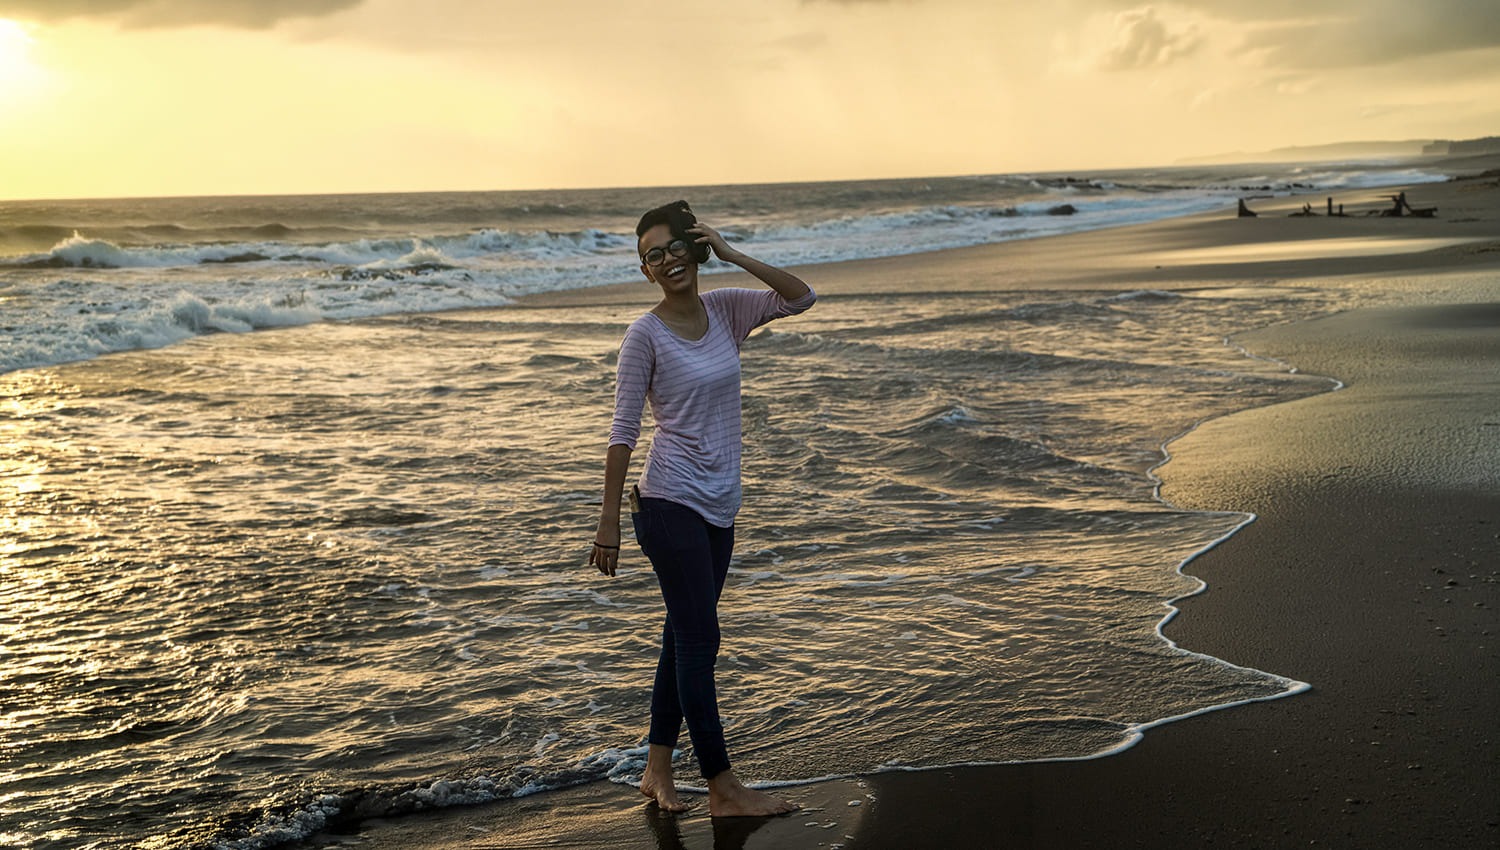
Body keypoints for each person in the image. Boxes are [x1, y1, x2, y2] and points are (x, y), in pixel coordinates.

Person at [589, 200, 816, 816]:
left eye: (674, 248)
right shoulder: (644, 335)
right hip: (668, 503)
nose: (666, 261)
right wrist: (608, 521)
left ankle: (656, 768)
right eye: (651, 256)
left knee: (682, 634)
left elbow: (801, 296)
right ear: (645, 271)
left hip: (720, 504)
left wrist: (732, 250)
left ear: (695, 249)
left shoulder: (726, 310)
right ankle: (722, 787)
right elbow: (622, 430)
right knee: (699, 638)